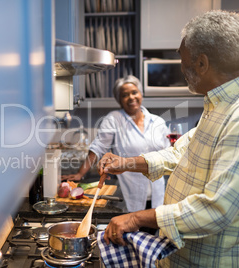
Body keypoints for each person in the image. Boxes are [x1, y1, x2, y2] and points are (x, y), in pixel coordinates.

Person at [98, 10, 239, 267]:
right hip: (179, 256)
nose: (181, 67)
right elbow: (179, 153)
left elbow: (216, 209)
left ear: (202, 64)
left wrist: (135, 219)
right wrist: (124, 163)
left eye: (182, 58)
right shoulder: (219, 105)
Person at [64, 75, 170, 213]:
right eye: (125, 95)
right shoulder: (114, 119)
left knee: (155, 232)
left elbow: (169, 153)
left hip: (158, 194)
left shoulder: (158, 122)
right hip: (130, 193)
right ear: (119, 100)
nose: (131, 97)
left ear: (140, 93)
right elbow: (98, 147)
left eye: (134, 92)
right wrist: (80, 174)